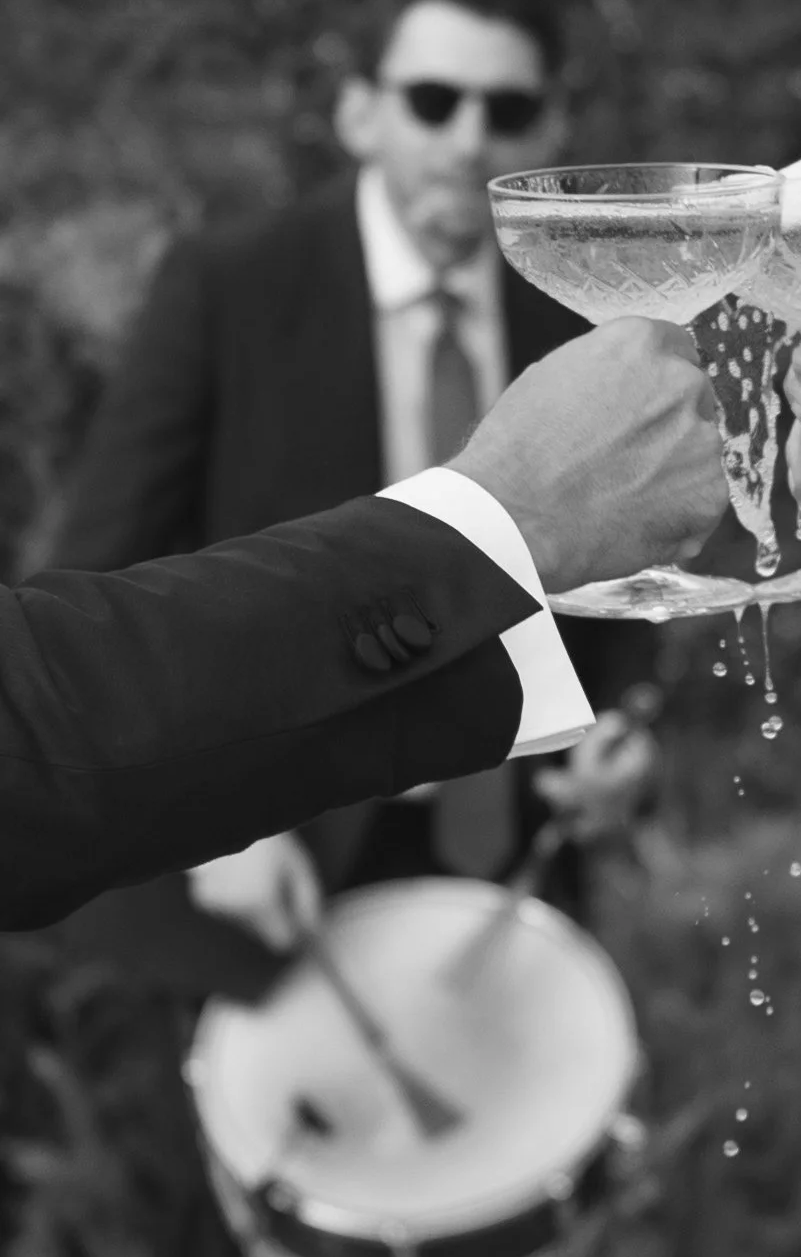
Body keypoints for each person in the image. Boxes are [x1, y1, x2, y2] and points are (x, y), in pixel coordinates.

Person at [50, 0, 667, 1257]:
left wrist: (623, 746)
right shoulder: (229, 290)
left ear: (552, 131)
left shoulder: (580, 319)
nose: (465, 139)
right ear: (357, 109)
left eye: (508, 108)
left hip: (488, 900)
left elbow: (632, 595)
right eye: (432, 100)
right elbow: (93, 587)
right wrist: (214, 828)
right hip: (241, 908)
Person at [3, 324, 720, 928]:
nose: (467, 148)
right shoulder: (230, 279)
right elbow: (45, 695)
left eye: (506, 141)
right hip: (281, 869)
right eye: (434, 139)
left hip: (520, 833)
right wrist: (502, 523)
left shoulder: (565, 296)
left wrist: (625, 706)